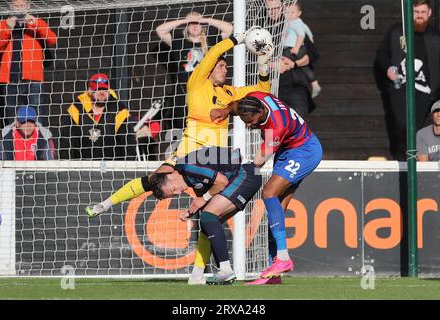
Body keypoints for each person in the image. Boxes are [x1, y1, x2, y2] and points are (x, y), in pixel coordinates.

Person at [84, 32, 273, 285]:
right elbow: (214, 52)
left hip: (214, 160)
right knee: (154, 179)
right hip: (187, 153)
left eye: (226, 66)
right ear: (209, 68)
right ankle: (106, 204)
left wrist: (262, 65)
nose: (224, 69)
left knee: (209, 213)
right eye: (220, 66)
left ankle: (197, 274)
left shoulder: (231, 94)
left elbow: (263, 92)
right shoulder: (197, 82)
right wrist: (237, 39)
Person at [236, 91, 322, 285]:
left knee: (268, 192)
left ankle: (282, 258)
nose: (248, 125)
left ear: (261, 111)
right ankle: (273, 273)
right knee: (276, 211)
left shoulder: (277, 125)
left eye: (251, 120)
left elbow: (257, 162)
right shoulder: (255, 98)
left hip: (304, 151)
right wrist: (225, 110)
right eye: (244, 121)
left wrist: (237, 169)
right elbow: (237, 105)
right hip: (286, 151)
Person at [148, 146, 262, 284]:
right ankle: (197, 275)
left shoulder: (187, 166)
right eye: (173, 194)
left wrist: (202, 200)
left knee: (208, 217)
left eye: (173, 189)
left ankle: (225, 270)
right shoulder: (190, 180)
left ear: (170, 176)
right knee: (208, 223)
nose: (178, 193)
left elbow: (221, 182)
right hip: (245, 176)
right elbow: (206, 200)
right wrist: (192, 210)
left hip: (246, 173)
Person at [375, 0, 440, 161]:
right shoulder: (397, 32)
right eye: (416, 12)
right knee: (402, 126)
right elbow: (382, 55)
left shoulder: (436, 39)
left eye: (422, 12)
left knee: (420, 131)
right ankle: (402, 161)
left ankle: (417, 165)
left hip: (427, 94)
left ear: (429, 14)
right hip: (401, 90)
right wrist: (389, 69)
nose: (419, 16)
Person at [156, 11, 233, 131]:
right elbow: (160, 30)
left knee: (206, 126)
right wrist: (184, 21)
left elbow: (229, 29)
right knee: (185, 128)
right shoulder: (179, 42)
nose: (195, 26)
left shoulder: (211, 41)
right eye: (191, 23)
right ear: (187, 26)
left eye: (198, 23)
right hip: (185, 94)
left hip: (206, 93)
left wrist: (206, 20)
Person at [0, 0, 57, 126]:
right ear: (11, 7)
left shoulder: (36, 22)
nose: (19, 8)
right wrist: (7, 29)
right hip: (9, 80)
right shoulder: (4, 24)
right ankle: (12, 144)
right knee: (11, 119)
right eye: (16, 6)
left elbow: (52, 39)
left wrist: (36, 24)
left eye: (22, 5)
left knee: (36, 118)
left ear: (28, 6)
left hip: (33, 80)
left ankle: (38, 144)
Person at [59, 73, 138, 160]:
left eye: (104, 89)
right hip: (82, 167)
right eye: (98, 89)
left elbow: (129, 145)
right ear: (89, 91)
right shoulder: (76, 110)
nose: (102, 92)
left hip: (112, 168)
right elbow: (66, 145)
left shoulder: (120, 111)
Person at [263, 0, 317, 119]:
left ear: (282, 8)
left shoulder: (294, 24)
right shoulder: (260, 30)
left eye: (276, 8)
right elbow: (249, 60)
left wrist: (294, 64)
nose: (273, 11)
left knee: (297, 127)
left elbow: (313, 54)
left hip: (296, 88)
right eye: (270, 9)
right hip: (270, 90)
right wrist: (273, 65)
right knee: (272, 127)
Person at [283, 1, 321, 99]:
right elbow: (306, 28)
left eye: (292, 12)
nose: (289, 15)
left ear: (299, 13)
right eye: (287, 12)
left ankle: (313, 83)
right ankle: (314, 83)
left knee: (284, 58)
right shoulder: (296, 21)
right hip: (296, 48)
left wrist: (296, 47)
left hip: (296, 48)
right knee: (305, 67)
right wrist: (311, 36)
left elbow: (301, 35)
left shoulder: (295, 22)